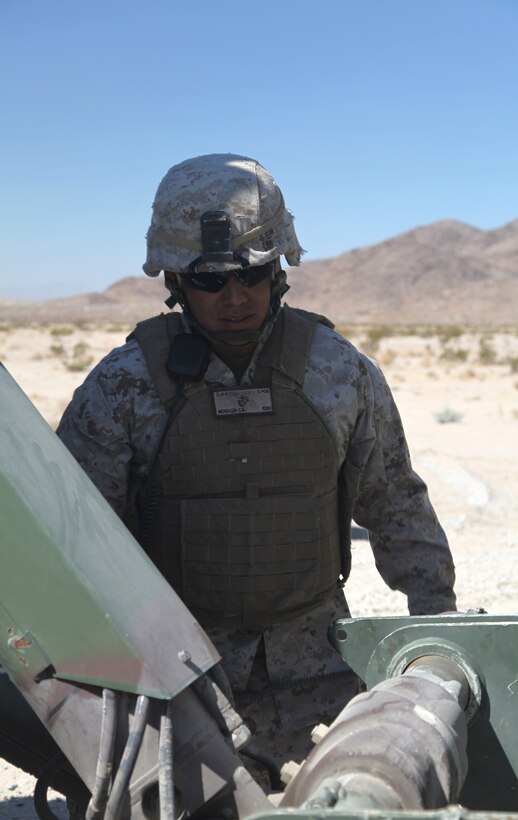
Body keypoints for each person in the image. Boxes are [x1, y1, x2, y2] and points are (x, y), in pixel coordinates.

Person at [57, 153, 456, 776]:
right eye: (209, 281)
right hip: (178, 688)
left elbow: (396, 504)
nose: (235, 297)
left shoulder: (338, 372)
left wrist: (439, 640)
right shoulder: (123, 387)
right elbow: (74, 547)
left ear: (280, 270)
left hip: (323, 681)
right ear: (176, 282)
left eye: (253, 274)